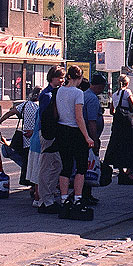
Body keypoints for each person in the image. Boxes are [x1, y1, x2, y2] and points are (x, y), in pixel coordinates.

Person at [55, 65, 95, 220]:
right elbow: (79, 117)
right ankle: (77, 198)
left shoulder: (59, 91)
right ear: (79, 78)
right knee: (80, 168)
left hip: (61, 130)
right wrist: (87, 137)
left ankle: (64, 198)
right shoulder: (78, 93)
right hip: (75, 131)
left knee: (65, 167)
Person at [32, 67, 65, 214]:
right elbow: (45, 116)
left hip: (53, 133)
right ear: (52, 78)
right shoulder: (47, 94)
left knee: (57, 165)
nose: (62, 80)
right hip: (48, 133)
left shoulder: (55, 92)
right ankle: (45, 200)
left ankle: (49, 195)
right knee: (46, 166)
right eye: (60, 77)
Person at [0, 86, 40, 187]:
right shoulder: (43, 106)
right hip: (38, 141)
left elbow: (10, 113)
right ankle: (36, 190)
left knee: (27, 165)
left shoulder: (25, 105)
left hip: (26, 141)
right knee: (37, 166)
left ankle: (31, 187)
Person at [104, 74, 133, 185]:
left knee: (118, 145)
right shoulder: (127, 92)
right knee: (131, 145)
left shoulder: (114, 95)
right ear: (127, 83)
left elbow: (111, 111)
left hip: (117, 124)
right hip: (127, 123)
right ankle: (129, 172)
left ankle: (120, 171)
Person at [81, 74, 107, 205]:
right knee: (88, 166)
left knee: (86, 166)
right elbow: (91, 121)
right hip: (89, 137)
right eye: (102, 87)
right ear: (98, 86)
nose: (103, 90)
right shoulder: (91, 98)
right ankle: (85, 194)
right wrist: (95, 139)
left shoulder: (85, 94)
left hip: (85, 136)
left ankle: (86, 194)